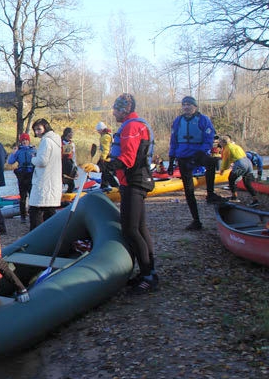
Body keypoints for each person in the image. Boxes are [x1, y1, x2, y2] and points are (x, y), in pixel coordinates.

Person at [106, 93, 158, 293]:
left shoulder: (131, 126)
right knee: (140, 228)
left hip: (134, 181)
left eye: (116, 109)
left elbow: (128, 158)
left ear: (124, 109)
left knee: (130, 230)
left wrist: (107, 166)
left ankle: (148, 275)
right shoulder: (134, 124)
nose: (114, 112)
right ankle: (148, 272)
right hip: (135, 180)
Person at [168, 95, 224, 231]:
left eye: (189, 104)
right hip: (183, 157)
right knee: (189, 190)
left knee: (211, 162)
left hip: (198, 154)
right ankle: (196, 221)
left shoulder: (203, 119)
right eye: (184, 104)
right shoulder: (178, 121)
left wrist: (200, 153)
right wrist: (170, 161)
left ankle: (210, 194)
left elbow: (209, 138)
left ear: (195, 106)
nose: (186, 107)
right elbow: (173, 141)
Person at [28, 118, 63, 231]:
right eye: (35, 130)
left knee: (35, 210)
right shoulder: (56, 141)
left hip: (44, 182)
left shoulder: (46, 141)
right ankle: (51, 236)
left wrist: (33, 159)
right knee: (49, 211)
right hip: (53, 181)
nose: (37, 132)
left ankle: (35, 236)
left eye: (39, 129)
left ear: (45, 128)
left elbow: (42, 161)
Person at [218, 135, 260, 207]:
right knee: (247, 184)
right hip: (248, 163)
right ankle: (255, 200)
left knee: (231, 179)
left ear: (223, 143)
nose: (219, 144)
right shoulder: (236, 146)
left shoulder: (226, 149)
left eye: (220, 142)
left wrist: (222, 170)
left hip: (241, 164)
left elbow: (225, 162)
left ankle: (234, 197)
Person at [7, 133, 36, 224]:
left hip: (31, 175)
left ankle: (33, 215)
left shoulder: (33, 150)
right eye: (23, 140)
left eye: (26, 140)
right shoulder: (18, 151)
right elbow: (10, 161)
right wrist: (13, 153)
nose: (24, 142)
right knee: (23, 197)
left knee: (32, 196)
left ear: (29, 141)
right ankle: (23, 216)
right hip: (22, 176)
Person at [93, 122, 119, 189]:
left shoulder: (105, 137)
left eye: (98, 131)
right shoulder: (109, 135)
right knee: (105, 173)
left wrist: (103, 158)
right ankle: (104, 186)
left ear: (101, 130)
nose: (98, 132)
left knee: (107, 173)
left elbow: (106, 149)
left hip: (107, 158)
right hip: (111, 157)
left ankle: (115, 187)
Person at [61, 127, 78, 192]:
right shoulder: (60, 142)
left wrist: (75, 165)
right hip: (62, 162)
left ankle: (69, 195)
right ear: (67, 133)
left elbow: (73, 155)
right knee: (62, 179)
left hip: (69, 163)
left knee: (71, 182)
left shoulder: (72, 144)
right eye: (71, 133)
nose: (72, 134)